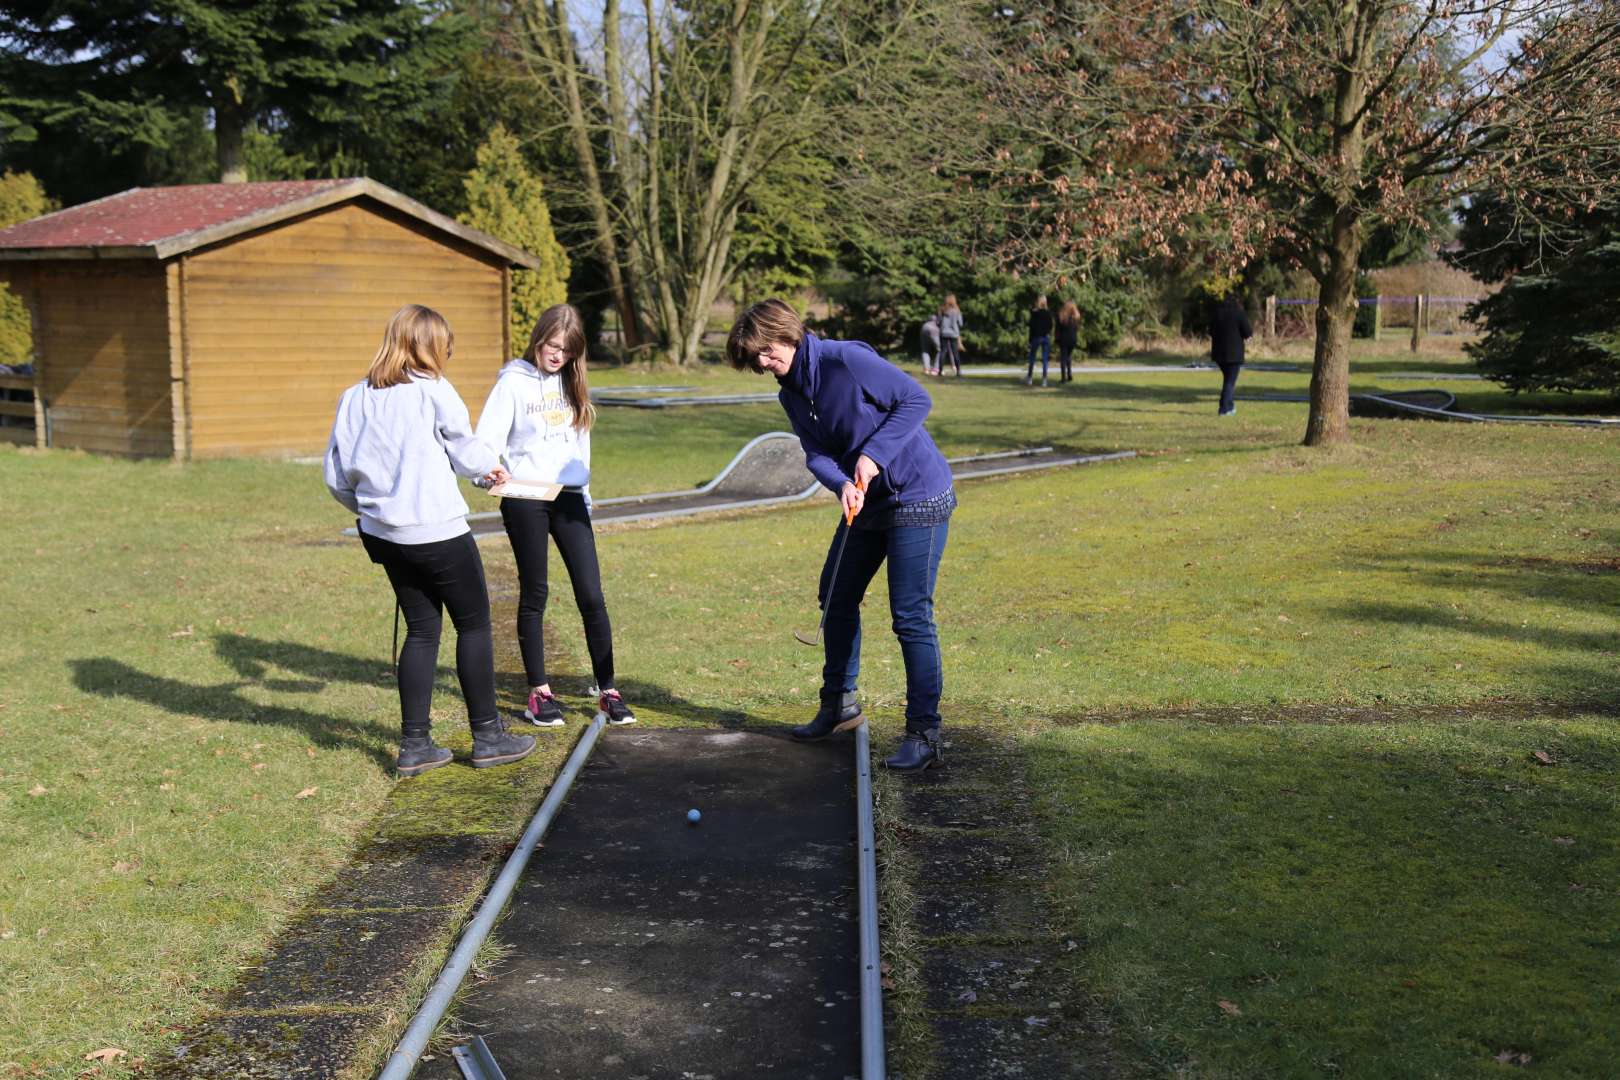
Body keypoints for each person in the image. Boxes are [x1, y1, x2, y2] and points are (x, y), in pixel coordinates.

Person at [727, 299, 956, 772]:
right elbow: (815, 453)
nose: (762, 364)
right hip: (867, 500)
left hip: (918, 494)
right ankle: (839, 706)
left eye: (766, 352)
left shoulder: (845, 360)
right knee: (835, 593)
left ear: (788, 334)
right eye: (755, 360)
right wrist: (842, 482)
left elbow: (916, 400)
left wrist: (872, 457)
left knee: (910, 616)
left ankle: (923, 733)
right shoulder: (789, 392)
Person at [325, 305, 536, 777]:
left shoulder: (353, 397)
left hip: (383, 535)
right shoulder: (432, 390)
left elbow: (336, 477)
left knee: (422, 630)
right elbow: (465, 448)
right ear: (428, 346)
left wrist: (371, 512)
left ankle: (415, 746)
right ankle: (488, 737)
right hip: (437, 531)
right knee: (475, 625)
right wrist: (490, 471)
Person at [476, 303, 637, 729]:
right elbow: (484, 441)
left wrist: (584, 491)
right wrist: (486, 474)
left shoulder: (572, 381)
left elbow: (578, 443)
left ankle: (609, 691)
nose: (557, 356)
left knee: (591, 593)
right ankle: (539, 693)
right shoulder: (512, 382)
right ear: (539, 338)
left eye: (566, 351)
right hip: (525, 495)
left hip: (567, 496)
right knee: (536, 591)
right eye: (552, 346)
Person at [1210, 295, 1253, 416]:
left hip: (1219, 354)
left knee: (1227, 380)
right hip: (1234, 354)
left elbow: (1210, 331)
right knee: (1230, 381)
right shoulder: (1239, 314)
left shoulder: (1217, 313)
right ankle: (1224, 408)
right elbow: (1248, 333)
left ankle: (1229, 405)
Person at [1025, 295, 1053, 386]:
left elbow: (1031, 328)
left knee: (1032, 358)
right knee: (1045, 359)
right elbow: (1050, 326)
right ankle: (1044, 380)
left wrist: (1030, 340)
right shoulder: (1048, 313)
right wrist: (1047, 332)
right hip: (1045, 337)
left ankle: (1029, 378)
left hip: (1036, 337)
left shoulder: (1034, 313)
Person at [937, 295, 964, 377]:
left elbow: (939, 321)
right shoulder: (956, 310)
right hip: (954, 333)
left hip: (944, 333)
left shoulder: (942, 310)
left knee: (943, 352)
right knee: (955, 352)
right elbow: (960, 323)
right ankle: (958, 371)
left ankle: (940, 370)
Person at [1055, 300, 1081, 382]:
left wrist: (1057, 339)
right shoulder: (1075, 317)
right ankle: (1069, 375)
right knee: (1068, 357)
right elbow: (1077, 329)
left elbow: (1057, 329)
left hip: (1064, 339)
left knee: (1063, 358)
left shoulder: (1061, 317)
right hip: (1073, 339)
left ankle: (1063, 378)